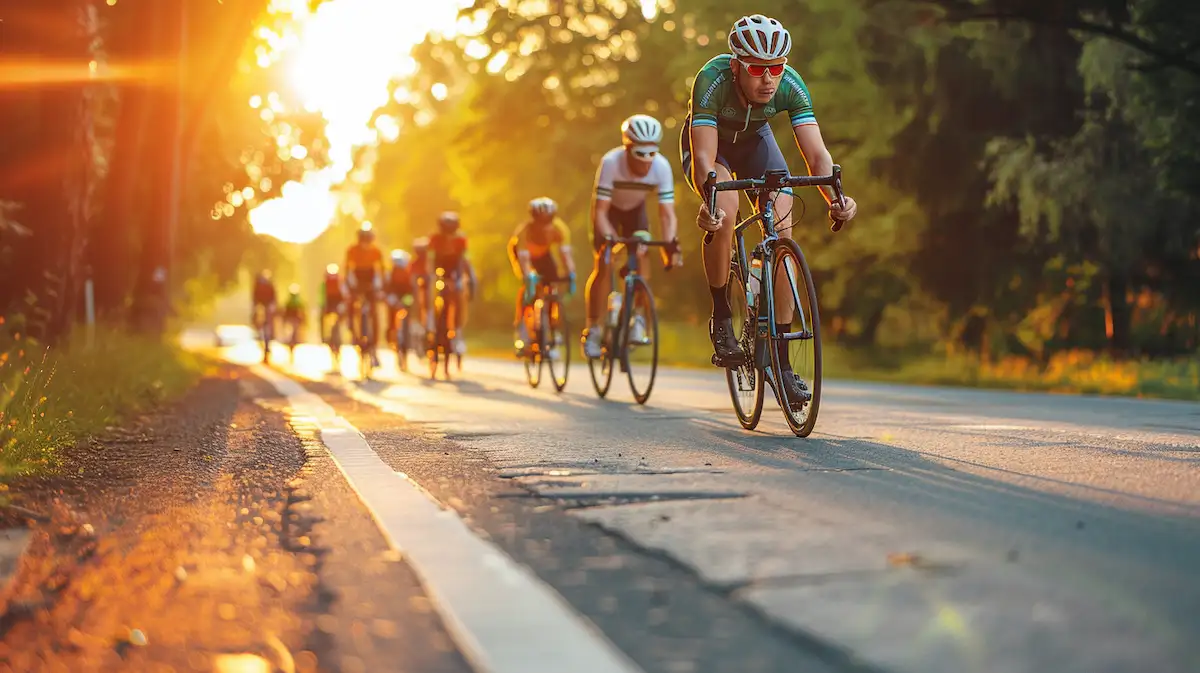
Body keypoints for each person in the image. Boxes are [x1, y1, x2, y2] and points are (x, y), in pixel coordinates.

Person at [681, 13, 858, 401]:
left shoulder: (790, 85)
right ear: (736, 66)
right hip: (713, 147)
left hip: (756, 142)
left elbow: (817, 155)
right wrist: (708, 200)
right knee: (724, 206)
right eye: (757, 68)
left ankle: (782, 363)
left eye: (775, 67)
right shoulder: (711, 80)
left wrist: (836, 199)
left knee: (783, 222)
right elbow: (705, 161)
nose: (768, 78)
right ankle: (722, 315)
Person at [583, 113, 682, 359]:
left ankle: (637, 317)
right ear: (627, 149)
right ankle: (593, 328)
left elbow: (667, 215)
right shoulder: (611, 162)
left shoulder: (662, 166)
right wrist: (610, 239)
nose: (647, 161)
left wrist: (669, 245)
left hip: (635, 213)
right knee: (604, 263)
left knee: (642, 249)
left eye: (652, 153)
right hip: (609, 214)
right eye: (640, 154)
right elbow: (601, 212)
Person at [507, 197, 576, 355]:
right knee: (529, 286)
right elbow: (524, 260)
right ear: (533, 219)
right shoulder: (524, 231)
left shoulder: (559, 229)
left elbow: (565, 254)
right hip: (524, 255)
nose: (544, 226)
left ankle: (552, 328)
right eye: (540, 221)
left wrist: (571, 273)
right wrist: (528, 275)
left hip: (544, 254)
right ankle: (522, 329)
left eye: (548, 220)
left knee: (553, 285)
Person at [427, 212, 477, 355]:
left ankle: (458, 329)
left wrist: (463, 278)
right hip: (439, 268)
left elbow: (464, 260)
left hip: (455, 268)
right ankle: (431, 326)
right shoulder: (435, 238)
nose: (449, 235)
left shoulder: (461, 239)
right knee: (431, 292)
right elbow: (430, 259)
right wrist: (432, 276)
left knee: (460, 292)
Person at [344, 222, 385, 365]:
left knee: (374, 312)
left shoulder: (376, 252)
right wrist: (350, 287)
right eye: (363, 240)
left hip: (371, 279)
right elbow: (348, 270)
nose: (365, 244)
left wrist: (380, 288)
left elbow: (381, 271)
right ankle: (353, 332)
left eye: (368, 241)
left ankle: (374, 347)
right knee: (351, 304)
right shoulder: (352, 250)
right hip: (356, 278)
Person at [385, 249, 416, 346]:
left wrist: (409, 300)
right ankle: (391, 334)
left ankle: (408, 334)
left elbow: (411, 289)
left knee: (408, 312)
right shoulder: (390, 274)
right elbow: (386, 288)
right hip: (393, 297)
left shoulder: (408, 275)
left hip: (405, 297)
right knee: (391, 315)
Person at [318, 263, 346, 347]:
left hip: (332, 304)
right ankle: (324, 337)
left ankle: (324, 337)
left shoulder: (328, 283)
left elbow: (321, 296)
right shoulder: (339, 282)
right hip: (332, 304)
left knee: (323, 319)